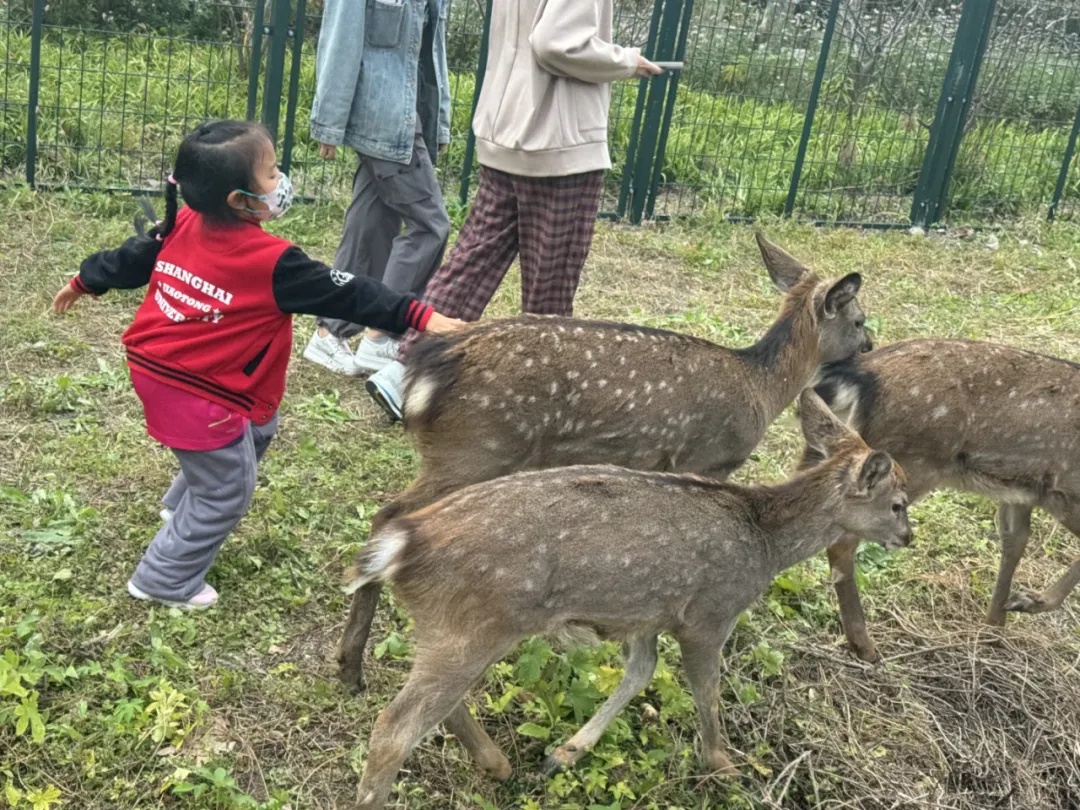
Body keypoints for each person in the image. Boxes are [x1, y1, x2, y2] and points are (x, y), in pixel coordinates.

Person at [53, 120, 462, 610]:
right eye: (270, 174)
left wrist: (85, 280)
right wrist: (422, 315)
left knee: (259, 426)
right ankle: (164, 578)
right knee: (227, 489)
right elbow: (352, 294)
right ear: (239, 199)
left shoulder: (184, 222)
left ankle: (179, 508)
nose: (280, 179)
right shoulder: (274, 263)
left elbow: (131, 257)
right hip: (197, 389)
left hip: (163, 368)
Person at [364, 0, 663, 421]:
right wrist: (625, 61)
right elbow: (556, 43)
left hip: (503, 131)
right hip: (557, 143)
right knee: (549, 283)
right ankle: (539, 400)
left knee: (470, 264)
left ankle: (405, 371)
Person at [302, 0, 453, 377]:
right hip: (381, 119)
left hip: (407, 118)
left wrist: (441, 119)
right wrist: (329, 122)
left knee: (371, 226)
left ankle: (328, 332)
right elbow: (340, 41)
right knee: (430, 225)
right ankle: (379, 334)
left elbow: (433, 50)